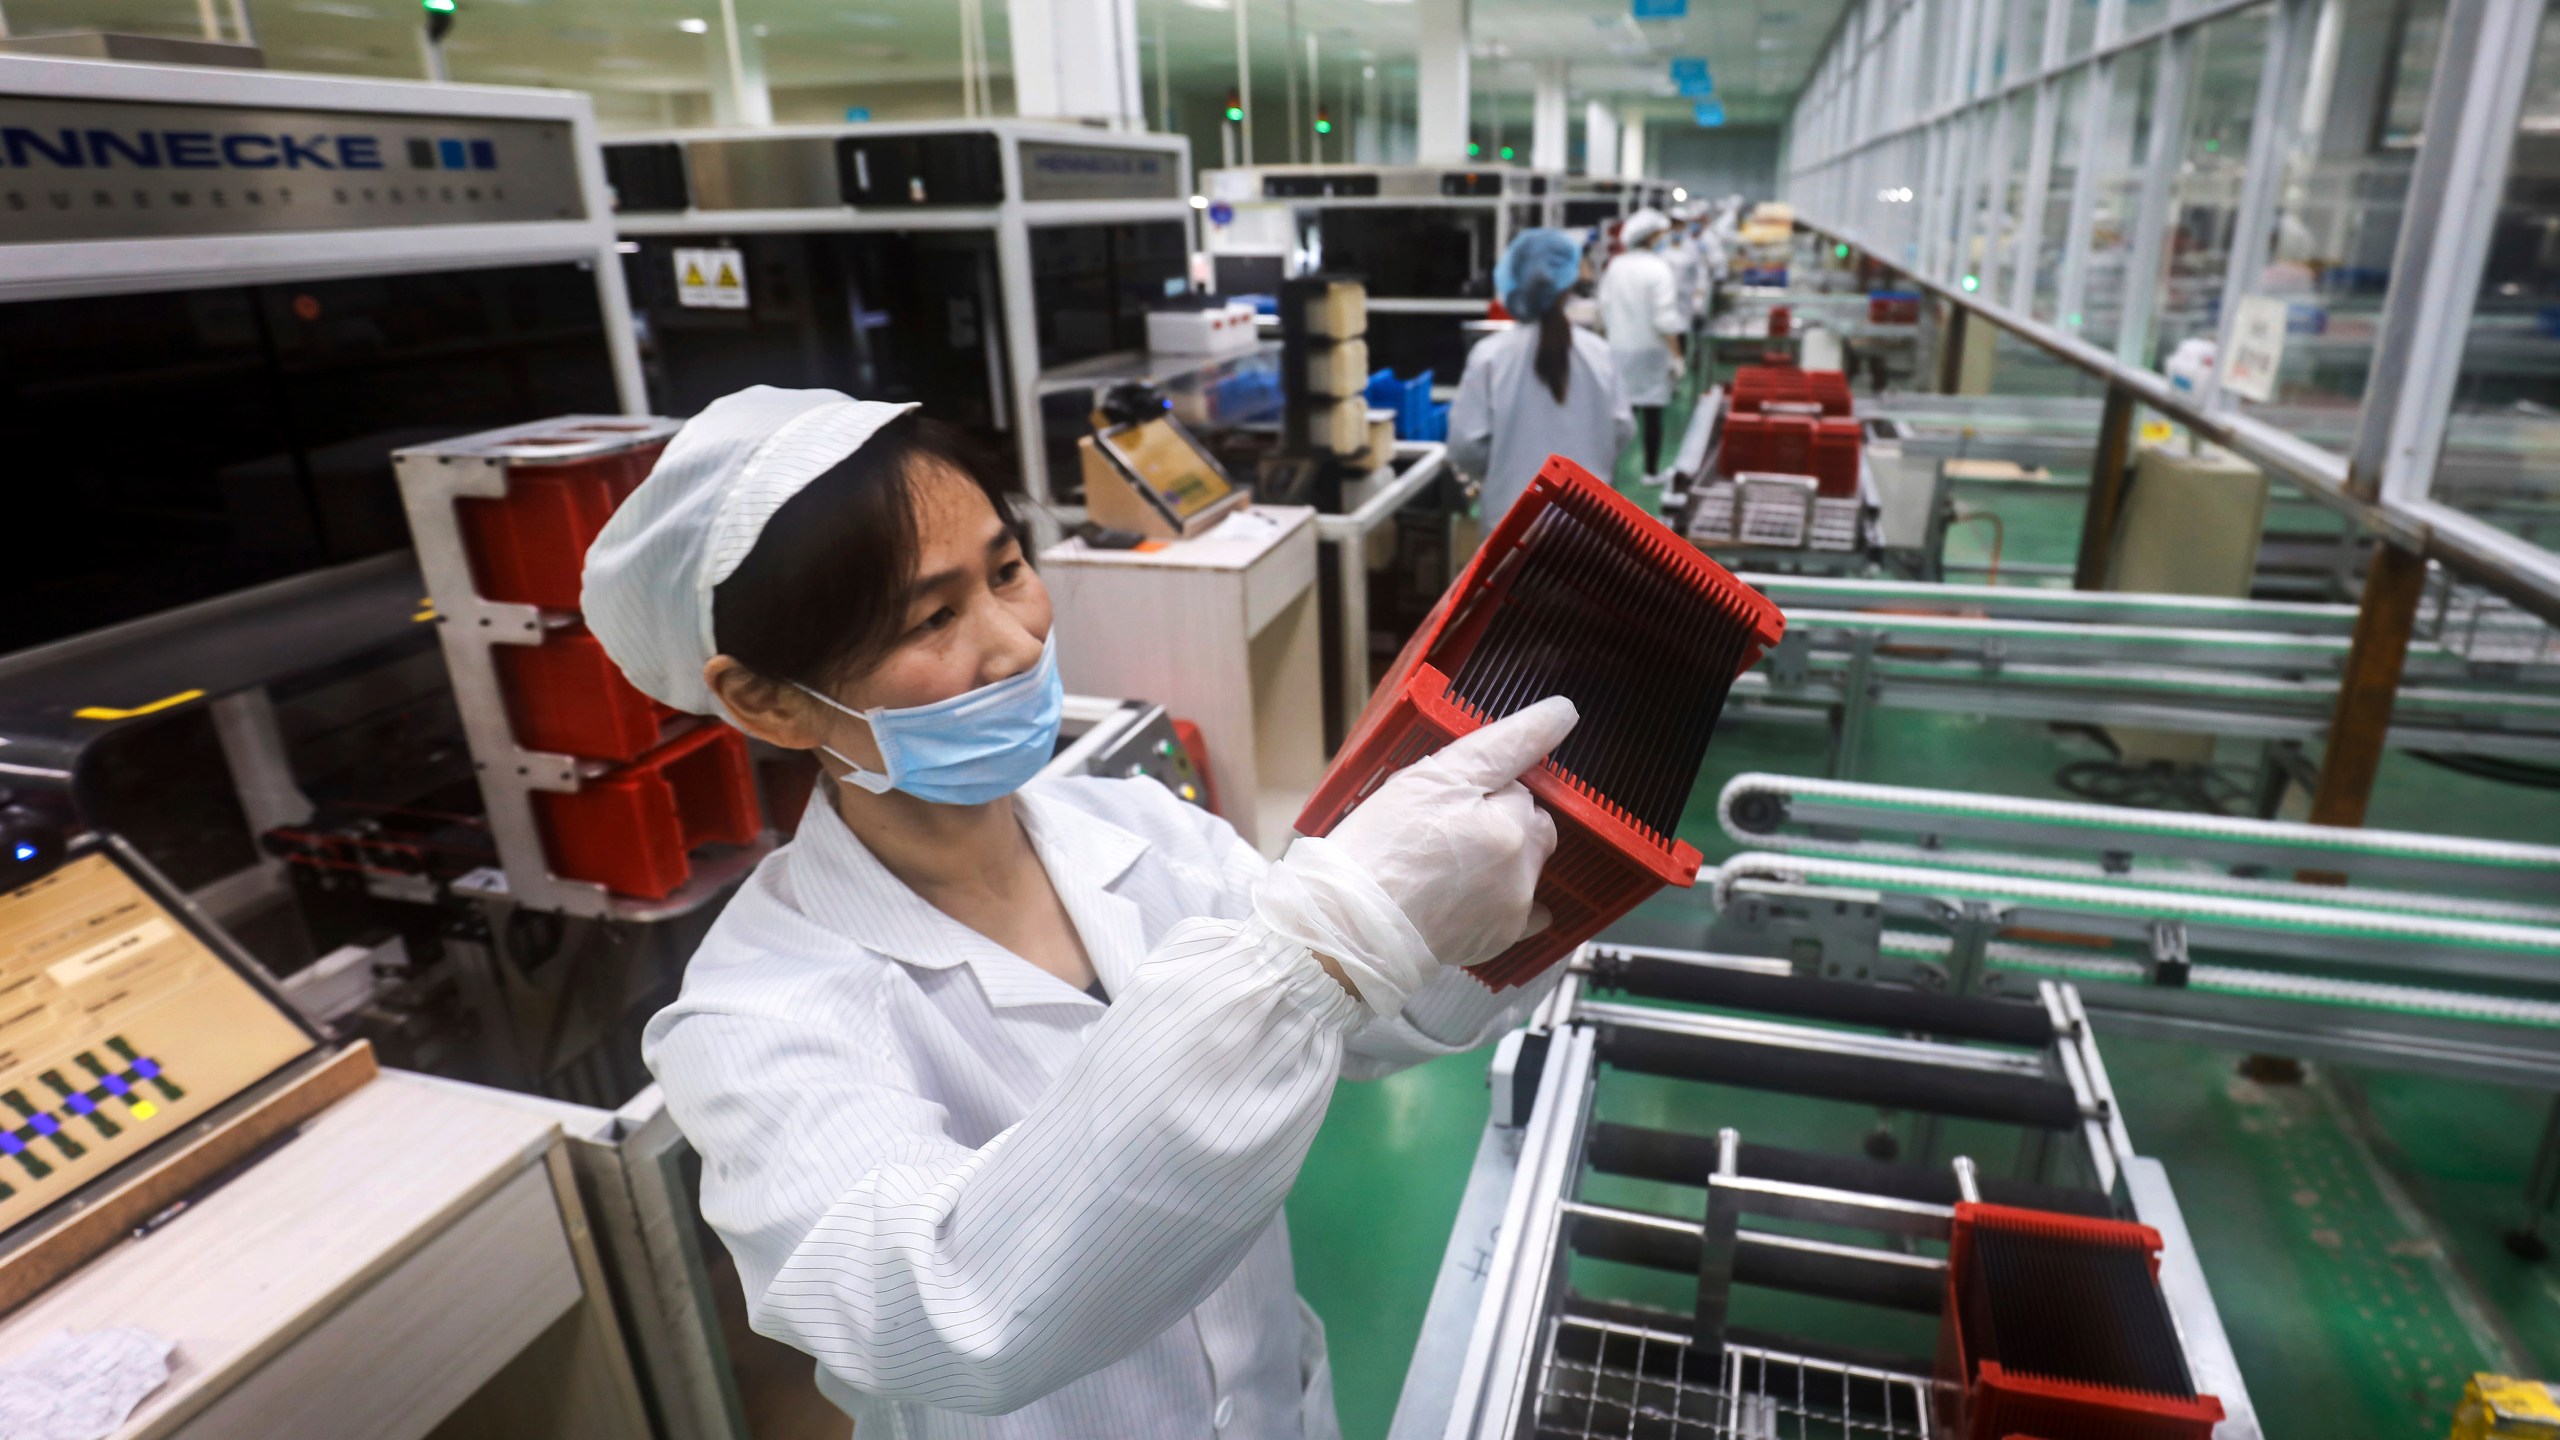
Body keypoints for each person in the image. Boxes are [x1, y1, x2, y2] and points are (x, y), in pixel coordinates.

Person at [579, 386, 1579, 1440]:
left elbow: (1372, 1019)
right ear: (766, 701)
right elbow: (945, 1309)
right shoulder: (751, 1015)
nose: (1014, 643)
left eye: (1008, 569)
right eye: (933, 618)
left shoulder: (1139, 829)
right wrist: (1327, 941)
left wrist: (1523, 870)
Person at [1448, 229, 1636, 522]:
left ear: (1512, 282)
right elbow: (1622, 429)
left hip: (1512, 525)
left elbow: (1465, 447)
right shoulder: (1599, 354)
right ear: (1569, 285)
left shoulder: (1490, 357)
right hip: (1588, 524)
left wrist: (1503, 468)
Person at [1597, 208, 1688, 477]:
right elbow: (1665, 321)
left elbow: (1603, 308)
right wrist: (1677, 356)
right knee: (1652, 413)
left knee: (1620, 413)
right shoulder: (1658, 268)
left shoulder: (1616, 266)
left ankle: (1605, 473)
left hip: (1618, 349)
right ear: (1651, 237)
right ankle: (1650, 472)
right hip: (1650, 352)